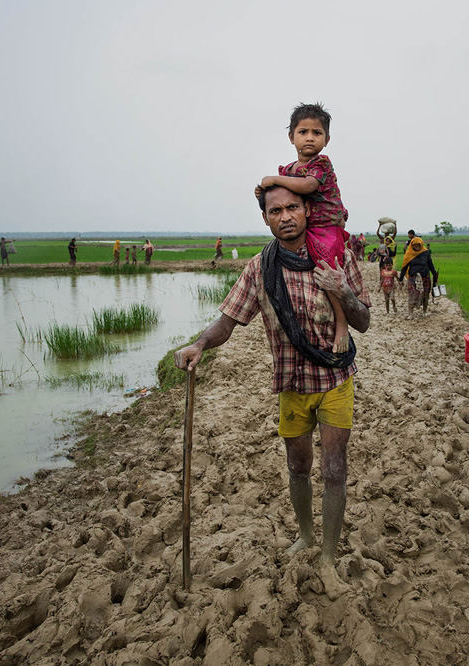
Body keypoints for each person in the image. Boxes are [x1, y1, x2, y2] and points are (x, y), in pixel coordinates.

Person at [175, 185, 371, 575]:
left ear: (307, 210)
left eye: (292, 207)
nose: (285, 216)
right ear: (265, 218)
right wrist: (199, 344)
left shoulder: (337, 257)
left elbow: (363, 321)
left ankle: (329, 553)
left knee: (334, 468)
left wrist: (342, 291)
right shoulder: (259, 269)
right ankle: (305, 535)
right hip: (292, 385)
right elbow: (228, 322)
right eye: (275, 210)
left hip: (335, 379)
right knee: (298, 465)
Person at [255, 102, 351, 355]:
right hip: (307, 226)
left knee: (325, 264)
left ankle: (341, 322)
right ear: (291, 137)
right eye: (303, 132)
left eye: (317, 133)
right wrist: (263, 191)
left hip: (326, 226)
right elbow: (278, 194)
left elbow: (308, 187)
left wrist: (273, 180)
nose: (310, 138)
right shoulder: (288, 170)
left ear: (327, 139)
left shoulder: (321, 164)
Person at [397, 236, 438, 319]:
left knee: (425, 295)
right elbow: (404, 267)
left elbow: (430, 264)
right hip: (413, 278)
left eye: (418, 246)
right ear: (412, 246)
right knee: (412, 295)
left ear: (421, 245)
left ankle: (424, 311)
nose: (417, 247)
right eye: (415, 246)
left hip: (425, 277)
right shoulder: (409, 254)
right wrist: (400, 279)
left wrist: (434, 274)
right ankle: (411, 313)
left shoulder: (426, 253)